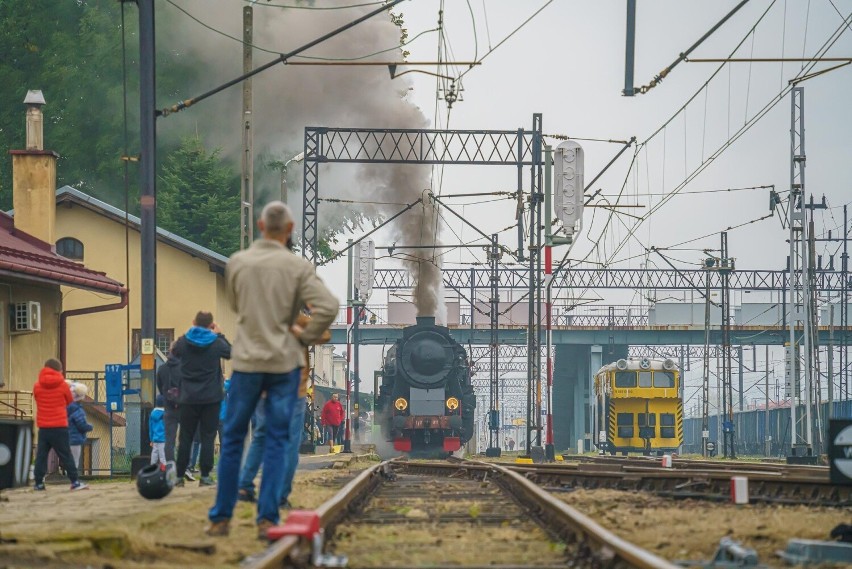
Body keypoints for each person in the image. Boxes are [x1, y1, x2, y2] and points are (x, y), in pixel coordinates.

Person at [207, 201, 338, 539]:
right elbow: (329, 306)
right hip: (284, 365)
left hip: (248, 361)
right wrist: (306, 335)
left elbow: (237, 306)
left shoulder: (238, 263)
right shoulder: (297, 266)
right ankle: (267, 517)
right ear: (290, 229)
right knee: (280, 440)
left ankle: (221, 517)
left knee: (235, 438)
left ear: (260, 226)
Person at [237, 313, 330, 505]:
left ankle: (245, 486)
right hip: (292, 390)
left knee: (261, 437)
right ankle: (279, 496)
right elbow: (324, 334)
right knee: (289, 443)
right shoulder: (297, 316)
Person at [174, 311, 232, 487]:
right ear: (211, 325)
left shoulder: (183, 342)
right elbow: (230, 352)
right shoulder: (216, 343)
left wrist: (189, 333)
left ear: (194, 322)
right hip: (211, 398)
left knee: (186, 437)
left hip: (188, 397)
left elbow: (174, 351)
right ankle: (205, 476)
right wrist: (220, 335)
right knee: (208, 437)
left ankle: (178, 476)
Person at [33, 359, 88, 491]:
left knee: (41, 455)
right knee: (66, 455)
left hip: (44, 426)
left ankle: (39, 483)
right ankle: (75, 482)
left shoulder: (37, 386)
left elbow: (37, 398)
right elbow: (69, 401)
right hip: (59, 425)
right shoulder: (63, 386)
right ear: (59, 370)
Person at [156, 341, 182, 463]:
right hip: (184, 406)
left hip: (169, 407)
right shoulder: (185, 368)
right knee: (186, 438)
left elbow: (160, 388)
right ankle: (184, 467)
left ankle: (170, 468)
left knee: (169, 440)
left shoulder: (161, 369)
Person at [66, 383, 93, 471]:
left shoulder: (66, 408)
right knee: (75, 461)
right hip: (75, 438)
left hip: (65, 437)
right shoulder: (78, 410)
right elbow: (81, 425)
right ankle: (73, 480)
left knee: (68, 459)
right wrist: (90, 427)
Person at [150, 394, 167, 465]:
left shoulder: (152, 413)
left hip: (155, 439)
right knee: (163, 458)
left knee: (154, 457)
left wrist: (151, 440)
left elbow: (150, 427)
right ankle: (164, 473)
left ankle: (151, 472)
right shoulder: (166, 413)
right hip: (163, 439)